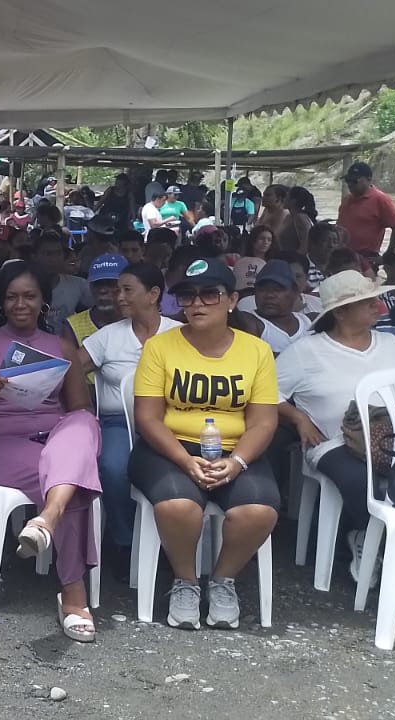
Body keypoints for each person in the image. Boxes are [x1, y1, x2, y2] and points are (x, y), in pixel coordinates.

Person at [131, 257, 281, 631]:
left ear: (232, 300)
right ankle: (185, 581)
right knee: (178, 506)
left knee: (259, 511)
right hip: (170, 448)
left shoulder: (256, 351)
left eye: (209, 294)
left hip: (235, 449)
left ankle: (223, 580)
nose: (197, 303)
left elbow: (264, 421)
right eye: (187, 295)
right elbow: (148, 419)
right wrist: (185, 461)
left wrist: (238, 462)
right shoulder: (159, 347)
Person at [0, 263, 102, 642]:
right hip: (2, 445)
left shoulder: (62, 346)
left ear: (43, 302)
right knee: (72, 484)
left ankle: (46, 520)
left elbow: (80, 407)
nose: (20, 304)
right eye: (12, 297)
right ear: (2, 302)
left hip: (55, 441)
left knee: (84, 424)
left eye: (29, 296)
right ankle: (73, 594)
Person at [279, 270, 395, 582]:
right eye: (368, 302)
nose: (378, 306)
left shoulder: (392, 345)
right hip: (333, 442)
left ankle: (382, 544)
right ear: (340, 312)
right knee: (361, 481)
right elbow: (266, 393)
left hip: (394, 440)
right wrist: (299, 418)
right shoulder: (306, 351)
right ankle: (371, 541)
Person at [78, 262, 181, 567]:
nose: (119, 297)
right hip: (118, 423)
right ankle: (124, 541)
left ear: (153, 294)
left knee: (180, 470)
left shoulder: (179, 334)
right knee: (113, 467)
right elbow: (71, 372)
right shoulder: (108, 336)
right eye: (117, 290)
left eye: (127, 290)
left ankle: (173, 543)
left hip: (171, 423)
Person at [63, 254, 126, 374]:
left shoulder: (138, 321)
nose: (103, 290)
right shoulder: (73, 325)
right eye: (98, 284)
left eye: (110, 283)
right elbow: (69, 374)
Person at [240, 260, 312, 354]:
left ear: (294, 292)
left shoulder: (309, 321)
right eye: (262, 290)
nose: (269, 295)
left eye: (277, 290)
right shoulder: (250, 321)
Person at [339, 161, 395, 257]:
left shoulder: (381, 199)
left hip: (366, 257)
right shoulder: (346, 200)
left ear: (369, 179)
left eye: (354, 181)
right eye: (348, 180)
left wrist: (389, 254)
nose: (350, 184)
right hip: (342, 255)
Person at [34, 233, 93, 330]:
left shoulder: (78, 284)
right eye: (47, 254)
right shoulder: (23, 287)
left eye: (58, 253)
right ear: (34, 256)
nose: (53, 259)